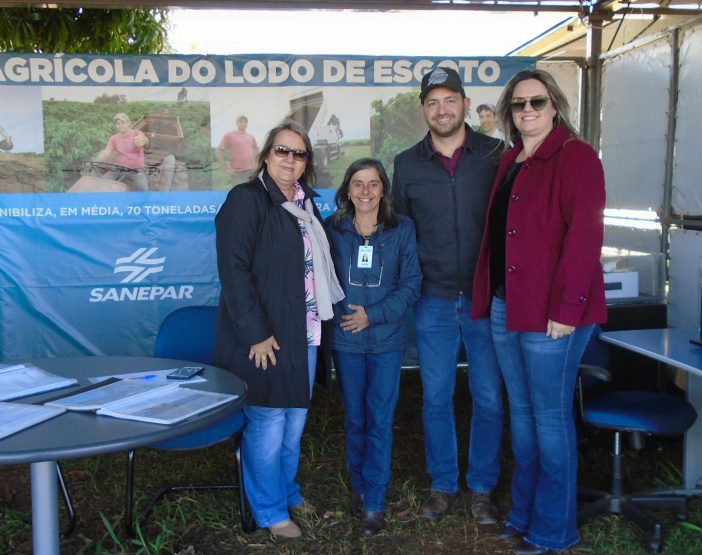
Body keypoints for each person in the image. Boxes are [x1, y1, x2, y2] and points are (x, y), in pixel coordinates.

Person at [471, 69, 607, 555]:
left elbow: (586, 236)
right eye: (519, 104)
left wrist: (568, 307)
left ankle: (554, 531)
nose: (528, 110)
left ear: (555, 106)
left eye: (538, 102)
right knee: (524, 416)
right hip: (509, 307)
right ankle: (523, 514)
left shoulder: (577, 156)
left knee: (550, 420)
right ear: (509, 111)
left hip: (554, 314)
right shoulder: (511, 158)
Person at [213, 122, 344, 539]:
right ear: (266, 155)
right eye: (282, 151)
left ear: (307, 162)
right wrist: (254, 332)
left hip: (305, 333)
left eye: (299, 153)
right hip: (264, 338)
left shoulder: (307, 205)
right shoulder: (246, 200)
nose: (290, 159)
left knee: (293, 424)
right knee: (268, 425)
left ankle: (287, 491)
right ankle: (269, 511)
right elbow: (233, 272)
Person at [392, 66, 505, 525]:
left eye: (450, 100)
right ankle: (442, 484)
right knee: (435, 397)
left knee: (489, 398)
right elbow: (398, 231)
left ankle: (482, 488)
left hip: (484, 299)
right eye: (433, 102)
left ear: (464, 103)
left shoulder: (496, 154)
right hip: (433, 300)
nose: (442, 109)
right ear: (423, 109)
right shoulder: (405, 163)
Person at [325, 158, 422, 537]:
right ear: (347, 189)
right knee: (355, 419)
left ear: (384, 190)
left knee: (380, 420)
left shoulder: (402, 229)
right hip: (345, 341)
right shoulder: (332, 230)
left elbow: (412, 283)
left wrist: (374, 315)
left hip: (386, 341)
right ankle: (360, 486)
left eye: (373, 184)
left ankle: (376, 502)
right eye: (358, 184)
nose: (366, 191)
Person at [96, 112, 150, 192]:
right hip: (119, 169)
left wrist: (144, 141)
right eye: (118, 124)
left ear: (128, 123)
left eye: (123, 123)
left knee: (144, 190)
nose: (120, 126)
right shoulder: (114, 138)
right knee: (101, 184)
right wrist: (97, 162)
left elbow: (145, 141)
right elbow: (107, 152)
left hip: (136, 170)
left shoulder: (137, 134)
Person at [217, 114, 260, 186]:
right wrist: (226, 168)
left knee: (250, 194)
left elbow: (257, 149)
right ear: (237, 123)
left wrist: (256, 164)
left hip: (250, 171)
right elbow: (219, 151)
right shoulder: (229, 135)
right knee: (238, 194)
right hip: (237, 172)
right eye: (241, 121)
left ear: (247, 124)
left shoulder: (250, 136)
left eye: (245, 122)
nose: (243, 123)